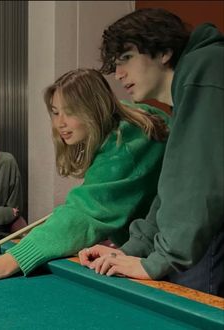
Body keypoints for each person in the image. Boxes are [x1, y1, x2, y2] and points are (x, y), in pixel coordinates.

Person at [79, 8, 224, 297]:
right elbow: (175, 186)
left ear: (164, 51)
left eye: (126, 58)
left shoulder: (205, 68)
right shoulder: (194, 80)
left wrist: (158, 261)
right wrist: (133, 249)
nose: (118, 74)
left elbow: (199, 185)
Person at [0, 68, 169, 280]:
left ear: (95, 108)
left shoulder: (128, 140)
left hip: (195, 243)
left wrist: (3, 264)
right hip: (165, 241)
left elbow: (85, 212)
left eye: (71, 111)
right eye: (56, 112)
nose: (60, 123)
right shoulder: (118, 119)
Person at [0, 121, 24, 240]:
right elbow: (11, 212)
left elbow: (16, 210)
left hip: (1, 232)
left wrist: (9, 214)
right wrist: (5, 213)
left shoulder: (7, 162)